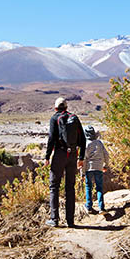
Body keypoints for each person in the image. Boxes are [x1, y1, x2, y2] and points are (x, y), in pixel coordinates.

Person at [44, 97, 85, 227]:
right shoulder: (74, 118)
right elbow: (82, 139)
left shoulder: (54, 118)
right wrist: (81, 158)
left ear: (55, 108)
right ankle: (70, 221)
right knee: (70, 187)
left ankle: (54, 219)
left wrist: (47, 157)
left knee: (54, 186)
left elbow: (51, 139)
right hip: (72, 155)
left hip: (60, 154)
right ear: (66, 108)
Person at [83, 125, 109, 214]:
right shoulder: (99, 143)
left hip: (88, 168)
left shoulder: (85, 144)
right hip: (99, 167)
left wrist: (82, 173)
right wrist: (106, 165)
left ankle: (89, 206)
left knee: (88, 187)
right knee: (99, 187)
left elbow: (83, 160)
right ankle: (101, 208)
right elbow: (106, 155)